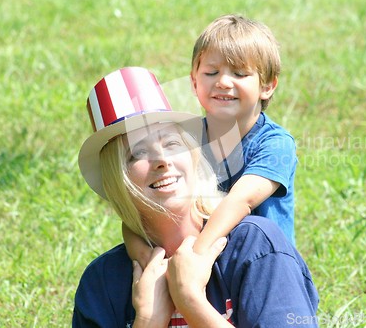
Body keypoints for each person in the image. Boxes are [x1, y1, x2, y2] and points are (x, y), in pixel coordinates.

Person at [73, 67, 319, 327]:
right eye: (137, 153)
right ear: (117, 179)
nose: (162, 161)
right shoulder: (102, 281)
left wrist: (191, 301)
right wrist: (147, 320)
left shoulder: (254, 248)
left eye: (172, 144)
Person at [124, 14, 297, 268]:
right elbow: (137, 212)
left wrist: (192, 258)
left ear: (267, 86)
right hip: (209, 266)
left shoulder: (274, 143)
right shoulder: (185, 140)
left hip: (264, 267)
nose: (223, 82)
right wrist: (147, 258)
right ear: (194, 82)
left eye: (239, 73)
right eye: (211, 72)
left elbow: (241, 201)